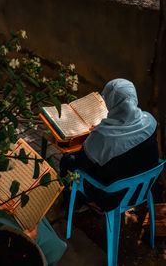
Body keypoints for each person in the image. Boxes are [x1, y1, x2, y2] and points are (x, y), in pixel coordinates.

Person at [60, 78, 159, 211]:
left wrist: (92, 139)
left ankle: (74, 204)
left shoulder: (103, 136)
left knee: (68, 161)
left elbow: (80, 163)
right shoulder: (150, 121)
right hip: (141, 189)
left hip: (111, 197)